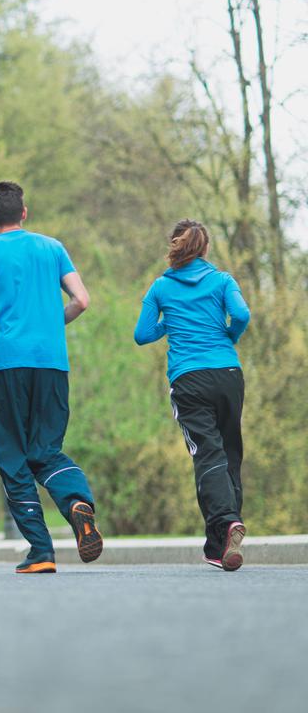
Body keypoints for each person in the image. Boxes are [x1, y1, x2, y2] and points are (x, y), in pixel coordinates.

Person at [0, 181, 102, 574]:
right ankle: (77, 502)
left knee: (12, 456)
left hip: (6, 362)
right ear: (24, 212)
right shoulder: (53, 247)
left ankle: (41, 550)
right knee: (46, 449)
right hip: (51, 362)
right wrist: (50, 325)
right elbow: (82, 300)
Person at [134, 219, 250, 570]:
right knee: (229, 452)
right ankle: (219, 546)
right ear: (205, 249)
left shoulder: (160, 288)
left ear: (174, 248)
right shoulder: (222, 280)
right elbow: (242, 314)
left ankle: (227, 522)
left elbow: (142, 334)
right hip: (229, 374)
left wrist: (169, 322)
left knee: (207, 455)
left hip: (189, 379)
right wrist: (229, 336)